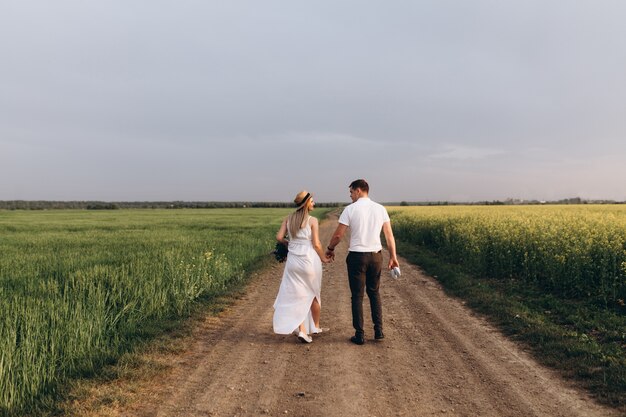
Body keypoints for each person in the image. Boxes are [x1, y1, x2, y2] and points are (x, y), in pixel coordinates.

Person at [325, 179, 399, 345]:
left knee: (357, 296)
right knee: (374, 293)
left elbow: (338, 235)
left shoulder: (350, 209)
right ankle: (378, 331)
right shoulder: (380, 209)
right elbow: (389, 235)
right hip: (375, 256)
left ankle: (359, 334)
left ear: (358, 191)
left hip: (357, 257)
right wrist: (393, 256)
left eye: (351, 192)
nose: (350, 196)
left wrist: (330, 249)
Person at [273, 191, 330, 343]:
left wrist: (288, 243)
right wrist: (323, 258)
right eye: (312, 201)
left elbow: (279, 237)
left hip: (293, 262)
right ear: (306, 203)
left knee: (296, 296)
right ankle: (316, 327)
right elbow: (316, 244)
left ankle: (302, 331)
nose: (314, 204)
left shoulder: (288, 219)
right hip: (309, 261)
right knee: (314, 294)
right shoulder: (312, 220)